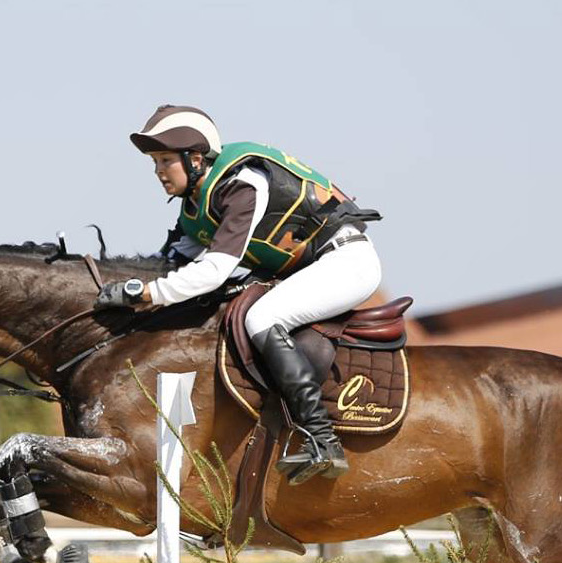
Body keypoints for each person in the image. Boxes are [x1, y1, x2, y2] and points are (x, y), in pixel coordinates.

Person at [97, 105, 382, 483]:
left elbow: (214, 271)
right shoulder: (196, 206)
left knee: (261, 318)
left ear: (195, 159)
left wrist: (147, 293)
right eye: (154, 163)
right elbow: (170, 266)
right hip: (312, 267)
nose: (158, 172)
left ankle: (322, 439)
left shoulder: (243, 186)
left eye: (165, 161)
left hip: (346, 261)